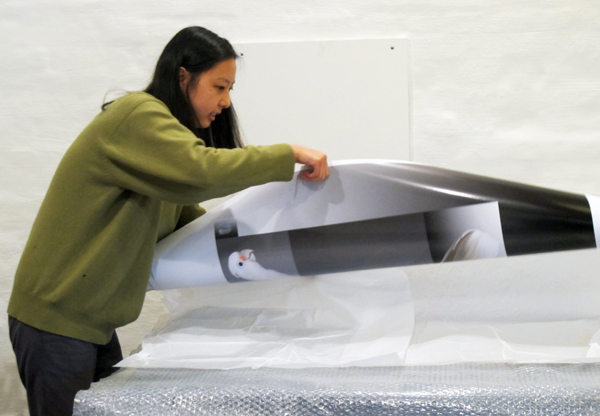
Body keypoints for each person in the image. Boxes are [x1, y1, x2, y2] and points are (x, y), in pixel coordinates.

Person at [7, 26, 328, 416]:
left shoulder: (160, 157)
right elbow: (202, 171)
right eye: (219, 87)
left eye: (230, 90)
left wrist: (284, 260)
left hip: (90, 322)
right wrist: (288, 154)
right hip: (56, 320)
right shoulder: (138, 115)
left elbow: (198, 234)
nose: (225, 101)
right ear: (182, 76)